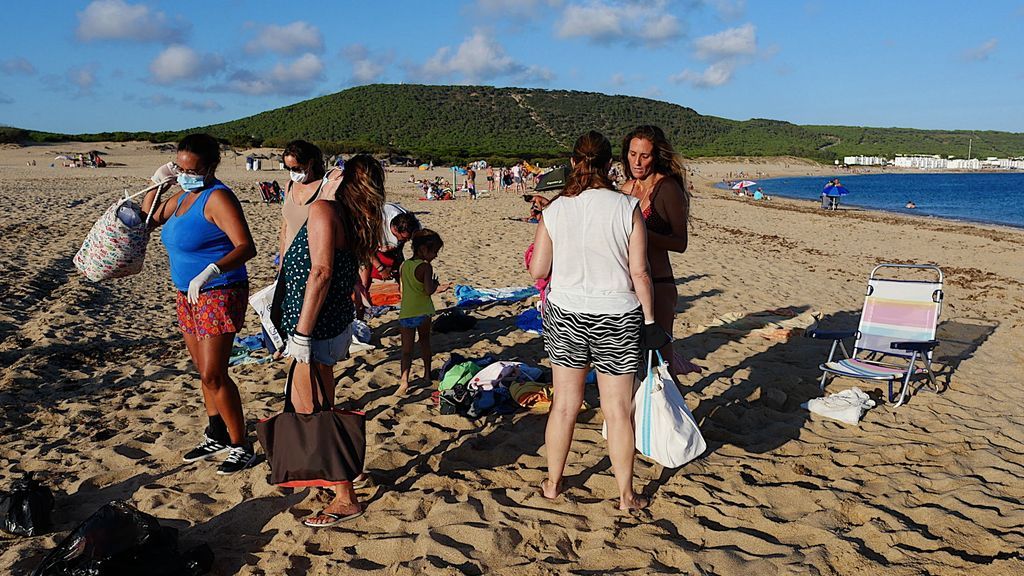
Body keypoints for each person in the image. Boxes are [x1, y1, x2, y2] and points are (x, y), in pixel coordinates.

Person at [528, 130, 668, 511]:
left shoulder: (555, 209)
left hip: (566, 311)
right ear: (612, 165)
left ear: (574, 163)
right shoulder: (626, 208)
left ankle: (554, 483)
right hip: (617, 315)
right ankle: (626, 495)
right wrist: (651, 322)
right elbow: (640, 273)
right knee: (617, 410)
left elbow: (539, 268)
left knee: (564, 406)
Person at [278, 154, 385, 527]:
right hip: (330, 321)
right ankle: (336, 478)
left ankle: (345, 496)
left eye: (337, 169)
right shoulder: (355, 217)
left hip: (316, 326)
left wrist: (301, 334)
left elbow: (321, 272)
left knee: (314, 410)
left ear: (345, 178)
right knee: (318, 403)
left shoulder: (326, 209)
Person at [142, 133, 259, 475]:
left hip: (219, 290)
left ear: (210, 168)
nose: (183, 174)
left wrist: (211, 269)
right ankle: (217, 433)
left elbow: (246, 247)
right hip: (187, 294)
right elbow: (148, 217)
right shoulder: (181, 196)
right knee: (202, 373)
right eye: (178, 167)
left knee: (214, 374)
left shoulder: (217, 198)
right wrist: (157, 181)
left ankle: (241, 445)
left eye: (190, 169)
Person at [621, 125, 693, 380]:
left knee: (662, 362)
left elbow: (680, 242)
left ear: (656, 156)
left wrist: (639, 232)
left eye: (645, 156)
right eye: (632, 154)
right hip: (627, 285)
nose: (637, 162)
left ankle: (673, 417)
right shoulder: (626, 188)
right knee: (632, 362)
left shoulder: (667, 188)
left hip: (658, 284)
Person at [397, 230, 444, 394]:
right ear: (424, 249)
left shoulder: (404, 265)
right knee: (425, 342)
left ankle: (404, 381)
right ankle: (426, 375)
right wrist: (436, 285)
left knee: (406, 350)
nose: (435, 256)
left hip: (406, 311)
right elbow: (428, 290)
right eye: (434, 252)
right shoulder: (425, 267)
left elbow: (402, 290)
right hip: (423, 311)